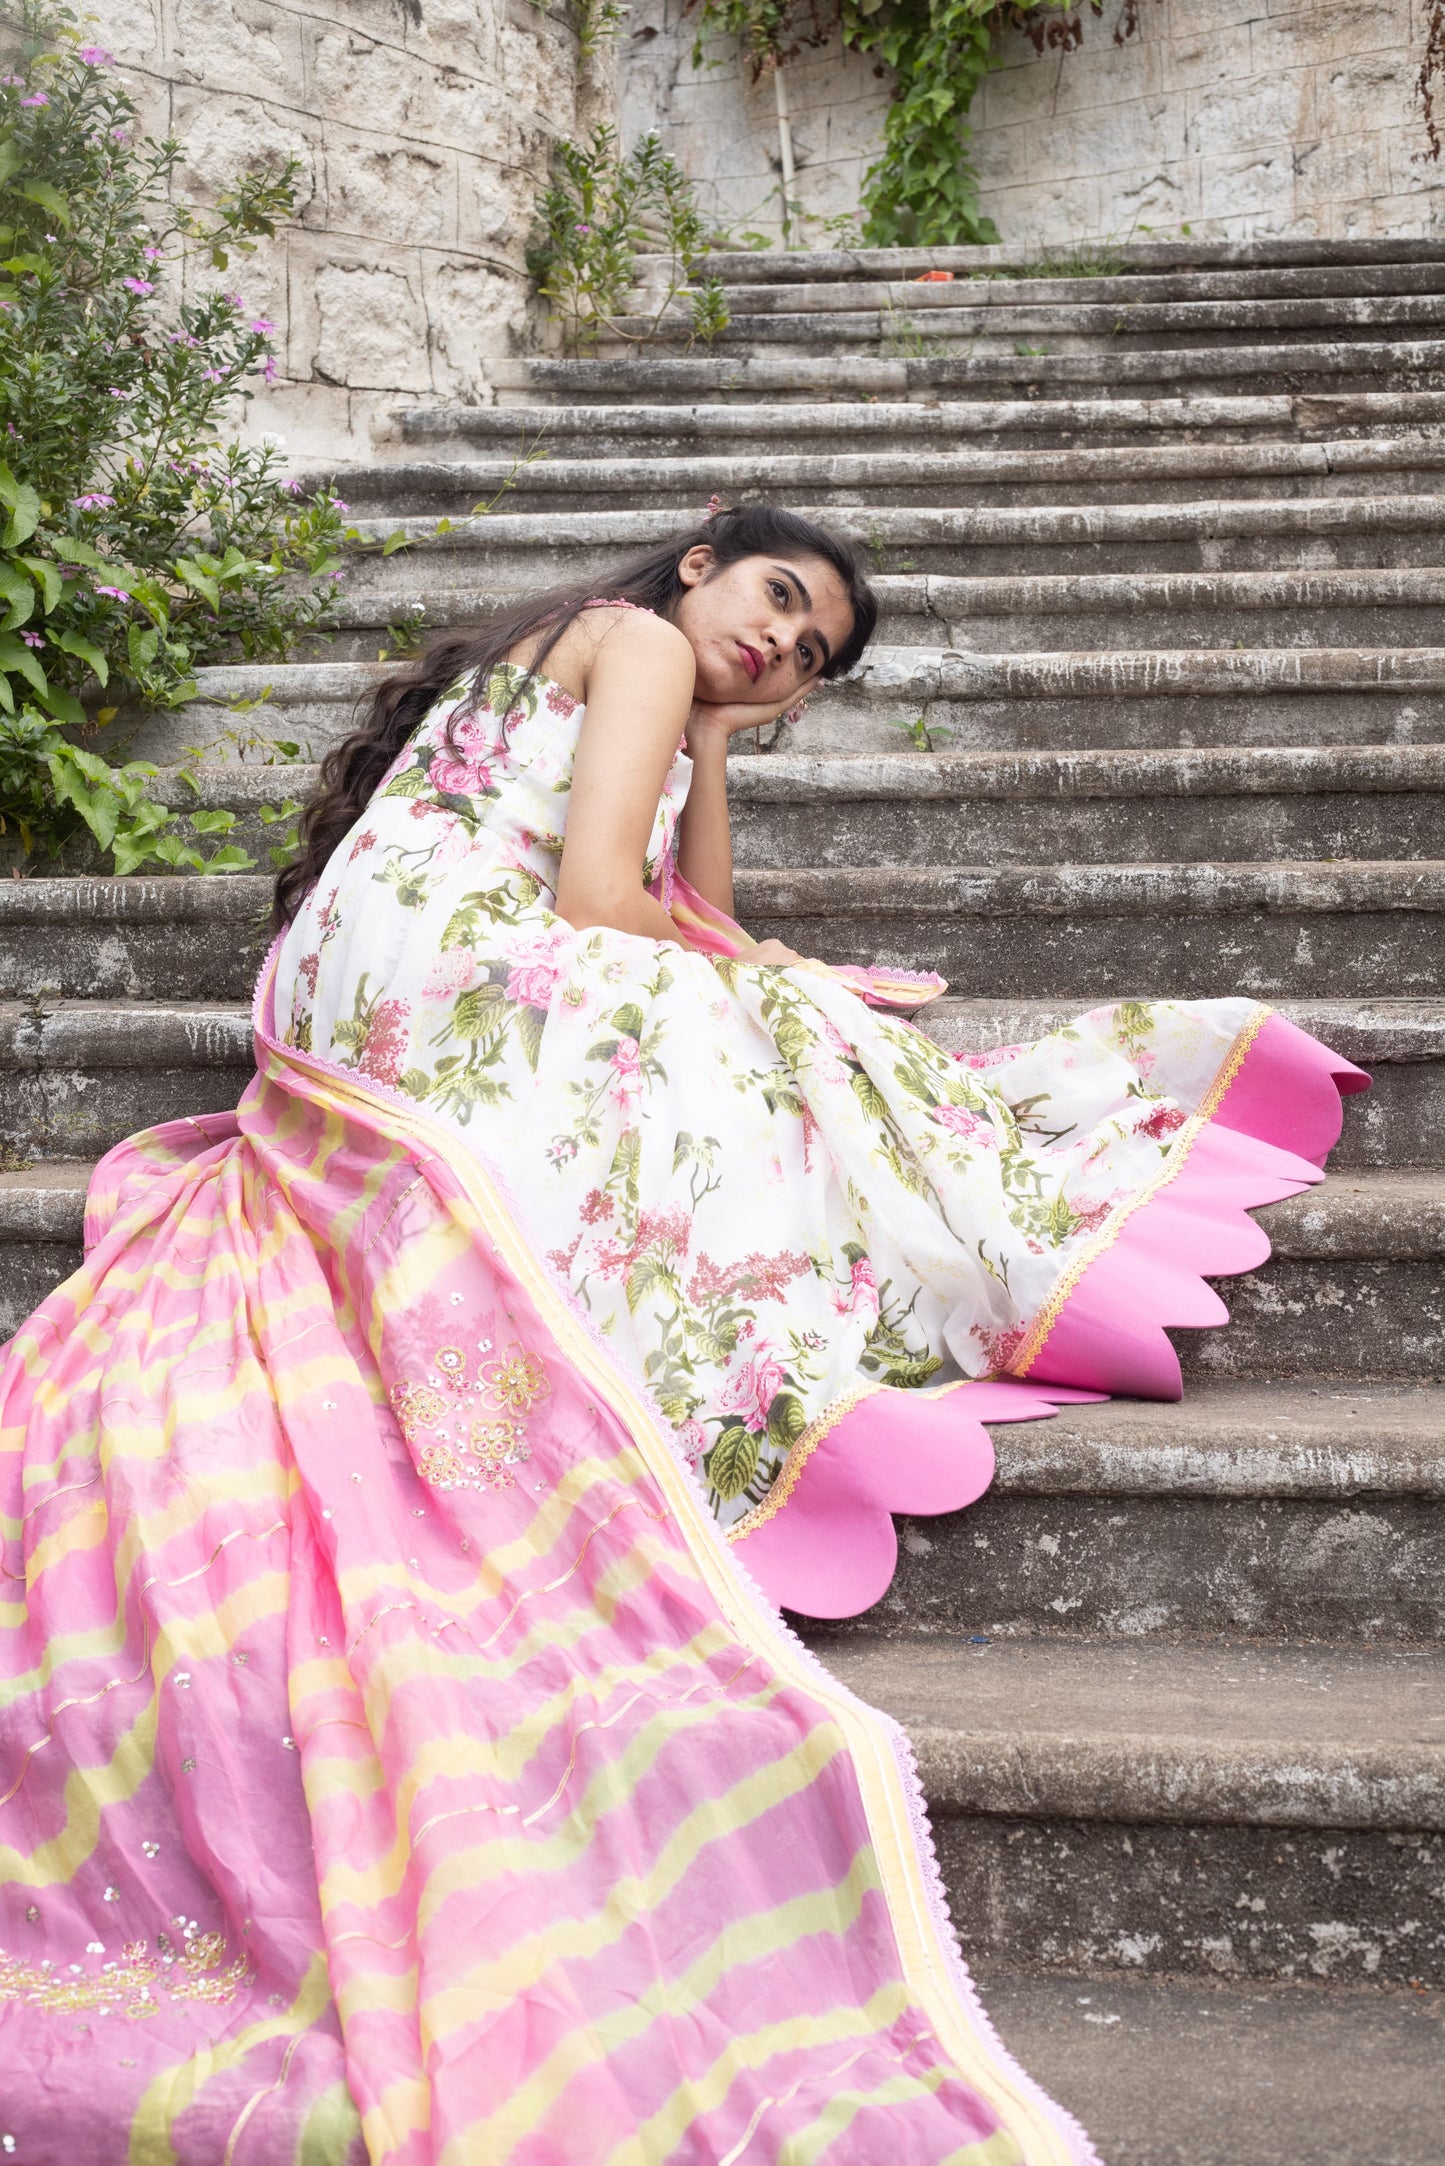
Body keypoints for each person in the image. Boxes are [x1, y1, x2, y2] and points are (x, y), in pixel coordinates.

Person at [0, 503, 1362, 2161]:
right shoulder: (634, 632)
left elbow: (677, 897)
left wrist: (717, 756)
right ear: (703, 551)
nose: (776, 647)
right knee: (770, 1015)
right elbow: (600, 901)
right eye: (776, 600)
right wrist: (780, 967)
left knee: (744, 987)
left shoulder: (614, 655)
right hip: (443, 970)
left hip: (342, 988)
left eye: (808, 658)